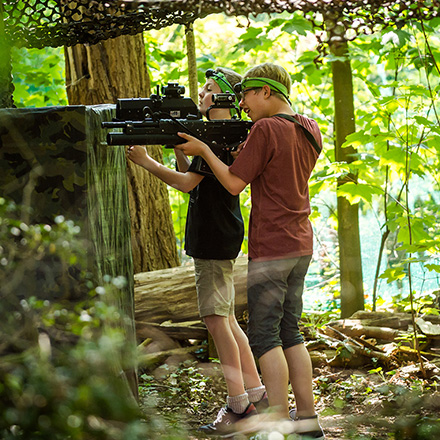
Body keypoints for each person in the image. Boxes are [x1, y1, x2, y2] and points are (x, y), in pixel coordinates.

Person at [175, 62, 325, 439]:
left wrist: (205, 150)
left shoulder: (265, 128)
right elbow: (275, 167)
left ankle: (274, 421)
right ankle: (307, 421)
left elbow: (232, 184)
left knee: (265, 337)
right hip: (300, 244)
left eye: (246, 95)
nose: (241, 104)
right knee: (291, 332)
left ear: (267, 92)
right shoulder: (309, 127)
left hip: (271, 247)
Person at [127, 68, 267, 437]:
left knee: (215, 319)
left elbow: (187, 183)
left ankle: (239, 405)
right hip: (218, 232)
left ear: (222, 98)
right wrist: (177, 146)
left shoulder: (218, 139)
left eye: (207, 90)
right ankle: (254, 392)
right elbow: (193, 175)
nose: (200, 95)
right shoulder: (217, 137)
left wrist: (145, 162)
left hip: (213, 236)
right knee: (226, 318)